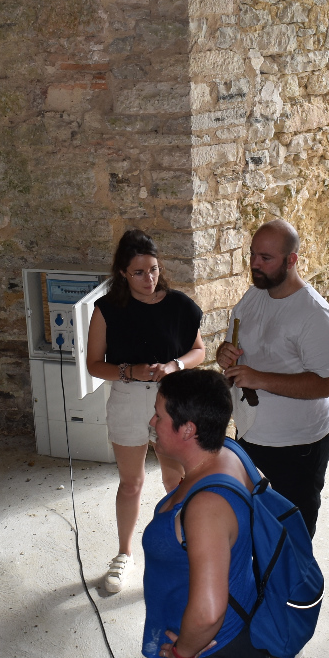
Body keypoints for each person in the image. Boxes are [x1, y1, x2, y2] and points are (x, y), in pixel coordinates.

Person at [215, 219, 329, 658]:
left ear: (292, 260)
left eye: (266, 258)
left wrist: (258, 378)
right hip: (252, 442)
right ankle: (255, 624)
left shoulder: (315, 315)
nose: (255, 265)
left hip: (298, 448)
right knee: (253, 541)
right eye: (253, 255)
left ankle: (288, 646)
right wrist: (227, 355)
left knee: (291, 545)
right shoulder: (254, 296)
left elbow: (324, 383)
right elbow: (239, 349)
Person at [141, 369, 270, 658]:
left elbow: (209, 609)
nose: (152, 423)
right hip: (243, 637)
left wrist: (181, 653)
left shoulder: (206, 505)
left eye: (159, 415)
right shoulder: (229, 454)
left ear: (188, 429)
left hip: (206, 655)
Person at [84, 228, 205, 595]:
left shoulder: (180, 305)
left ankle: (181, 551)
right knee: (131, 482)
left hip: (171, 400)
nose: (148, 278)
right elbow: (93, 364)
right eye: (138, 272)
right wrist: (130, 371)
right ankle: (124, 554)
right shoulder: (107, 309)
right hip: (128, 397)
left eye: (153, 269)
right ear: (122, 272)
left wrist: (174, 366)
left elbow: (198, 351)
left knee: (176, 480)